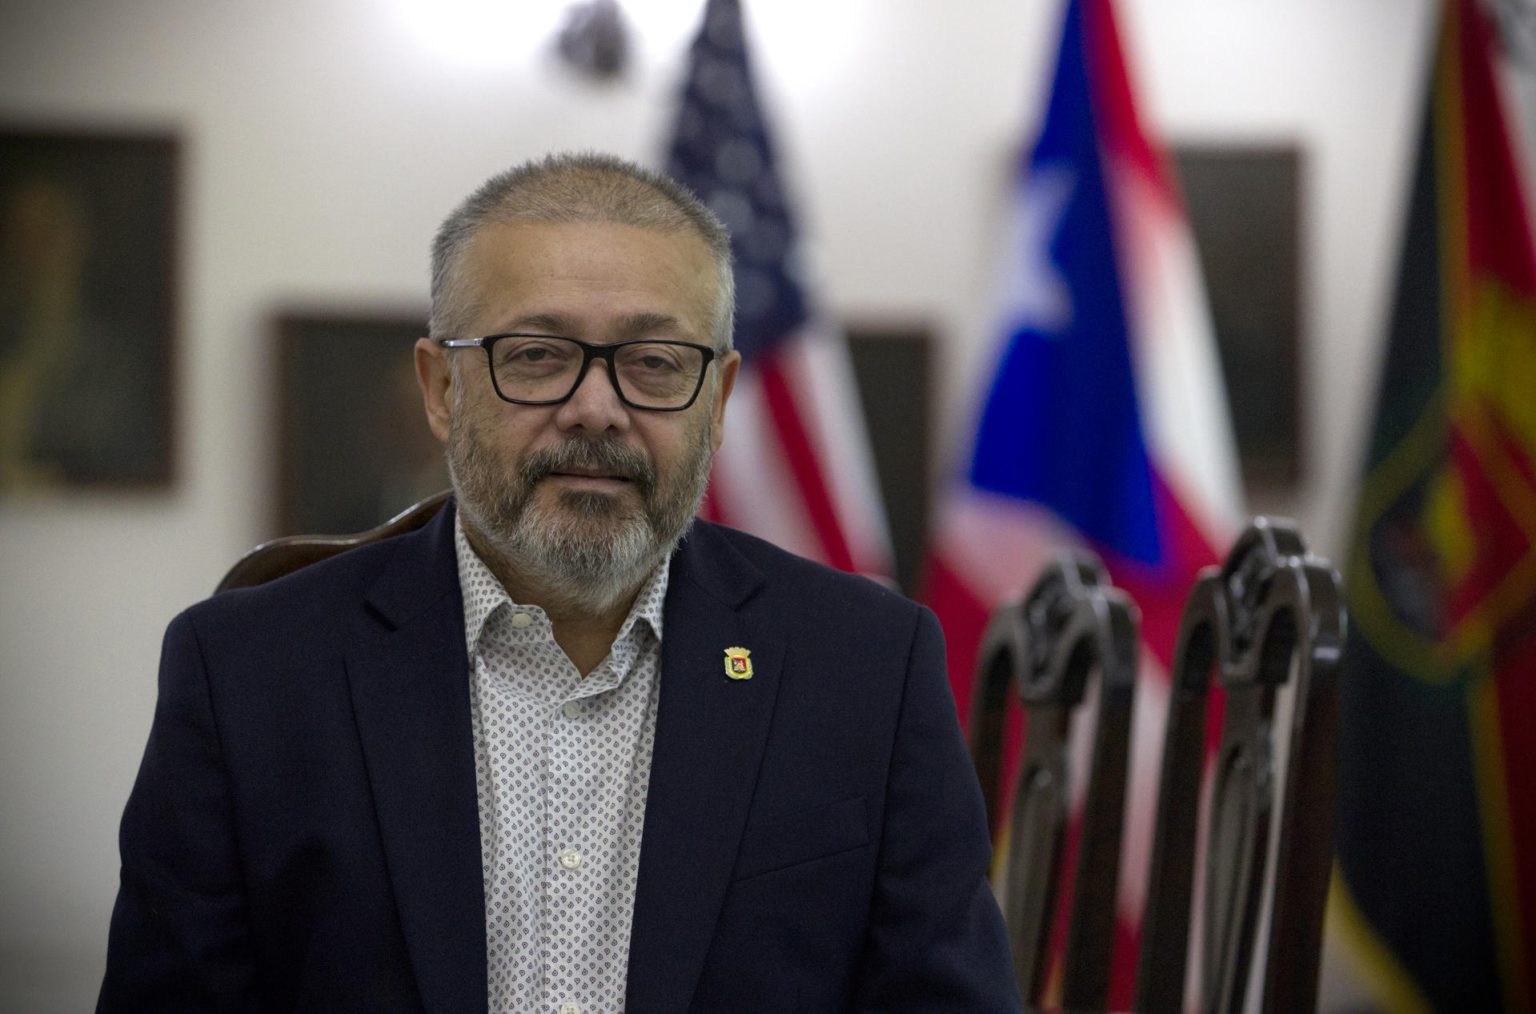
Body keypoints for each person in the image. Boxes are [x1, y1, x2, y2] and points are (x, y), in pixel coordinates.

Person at [99, 152, 1019, 1013]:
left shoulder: (867, 667)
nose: (596, 408)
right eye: (536, 355)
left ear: (721, 398)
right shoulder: (245, 672)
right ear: (440, 388)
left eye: (655, 363)